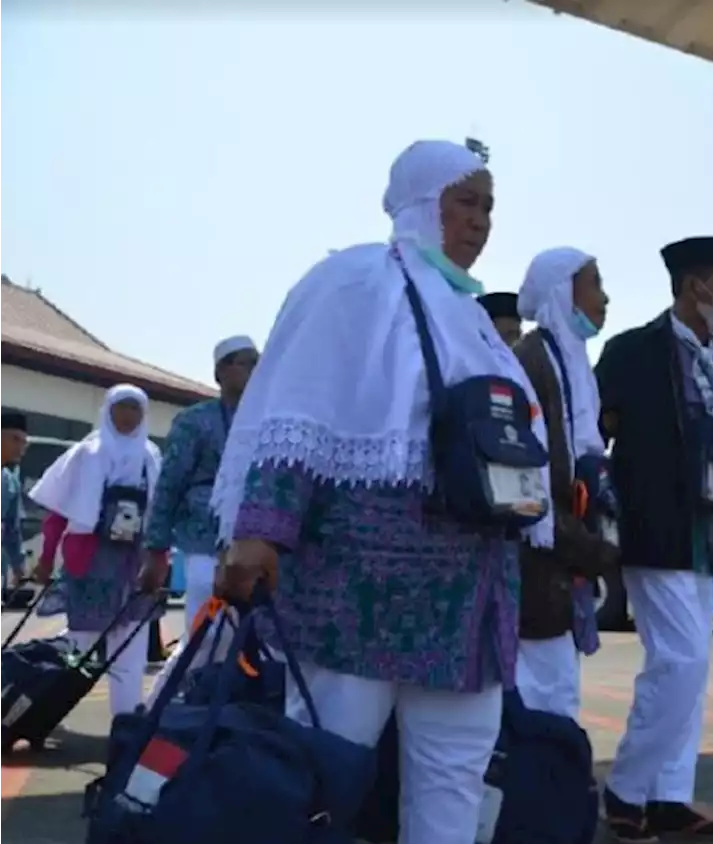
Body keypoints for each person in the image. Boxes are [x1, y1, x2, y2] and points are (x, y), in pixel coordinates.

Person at [210, 139, 553, 844]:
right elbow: (299, 411)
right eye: (466, 202)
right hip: (358, 594)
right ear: (421, 202)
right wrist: (259, 530)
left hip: (465, 602)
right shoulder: (356, 282)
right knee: (325, 771)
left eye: (489, 207)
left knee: (455, 775)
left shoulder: (475, 321)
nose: (481, 222)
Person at [595, 235, 713, 843]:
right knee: (679, 661)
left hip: (711, 533)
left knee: (695, 667)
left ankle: (670, 798)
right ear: (696, 287)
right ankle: (628, 789)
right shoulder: (633, 352)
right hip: (656, 528)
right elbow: (594, 432)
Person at [510, 246, 618, 718]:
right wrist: (581, 541)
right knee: (541, 689)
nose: (605, 297)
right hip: (539, 551)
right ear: (561, 291)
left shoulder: (573, 363)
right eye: (593, 283)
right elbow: (527, 476)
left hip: (566, 551)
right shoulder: (532, 361)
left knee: (558, 684)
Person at [29, 385, 162, 717]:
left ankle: (126, 721)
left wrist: (160, 559)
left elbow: (161, 515)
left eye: (136, 409)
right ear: (108, 410)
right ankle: (32, 712)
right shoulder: (86, 454)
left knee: (131, 648)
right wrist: (46, 559)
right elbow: (58, 512)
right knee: (78, 648)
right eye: (123, 407)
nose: (129, 415)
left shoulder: (150, 457)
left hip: (133, 564)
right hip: (90, 562)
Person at [144, 334, 259, 703]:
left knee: (247, 639)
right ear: (222, 370)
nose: (256, 371)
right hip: (203, 542)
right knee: (204, 634)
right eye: (247, 362)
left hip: (253, 546)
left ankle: (212, 720)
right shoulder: (195, 421)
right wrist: (155, 549)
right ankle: (160, 713)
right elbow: (169, 486)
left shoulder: (269, 420)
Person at [0, 411, 29, 605]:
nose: (21, 447)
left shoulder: (9, 482)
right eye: (15, 439)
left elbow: (12, 529)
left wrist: (19, 568)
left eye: (24, 442)